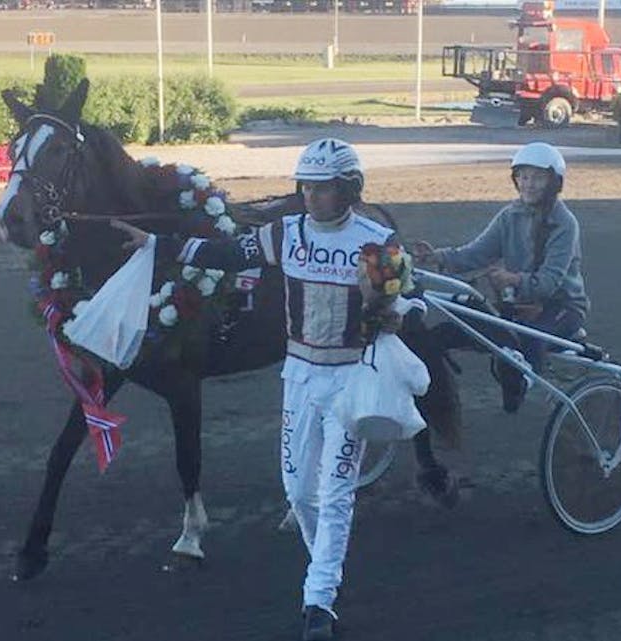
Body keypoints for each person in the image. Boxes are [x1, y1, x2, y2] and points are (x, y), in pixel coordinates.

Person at [112, 138, 403, 641]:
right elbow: (226, 253)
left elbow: (397, 312)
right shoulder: (284, 233)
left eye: (323, 188)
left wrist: (385, 303)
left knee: (333, 496)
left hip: (351, 381)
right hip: (300, 378)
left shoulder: (379, 244)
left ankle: (320, 600)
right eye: (306, 187)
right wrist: (157, 244)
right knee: (296, 489)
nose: (311, 197)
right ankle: (327, 569)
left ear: (349, 190)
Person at [412, 142, 589, 410]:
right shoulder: (509, 216)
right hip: (516, 305)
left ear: (554, 182)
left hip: (561, 307)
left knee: (528, 338)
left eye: (538, 178)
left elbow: (550, 282)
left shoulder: (564, 223)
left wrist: (514, 280)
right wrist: (437, 257)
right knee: (454, 330)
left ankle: (521, 378)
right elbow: (477, 253)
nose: (528, 184)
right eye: (523, 177)